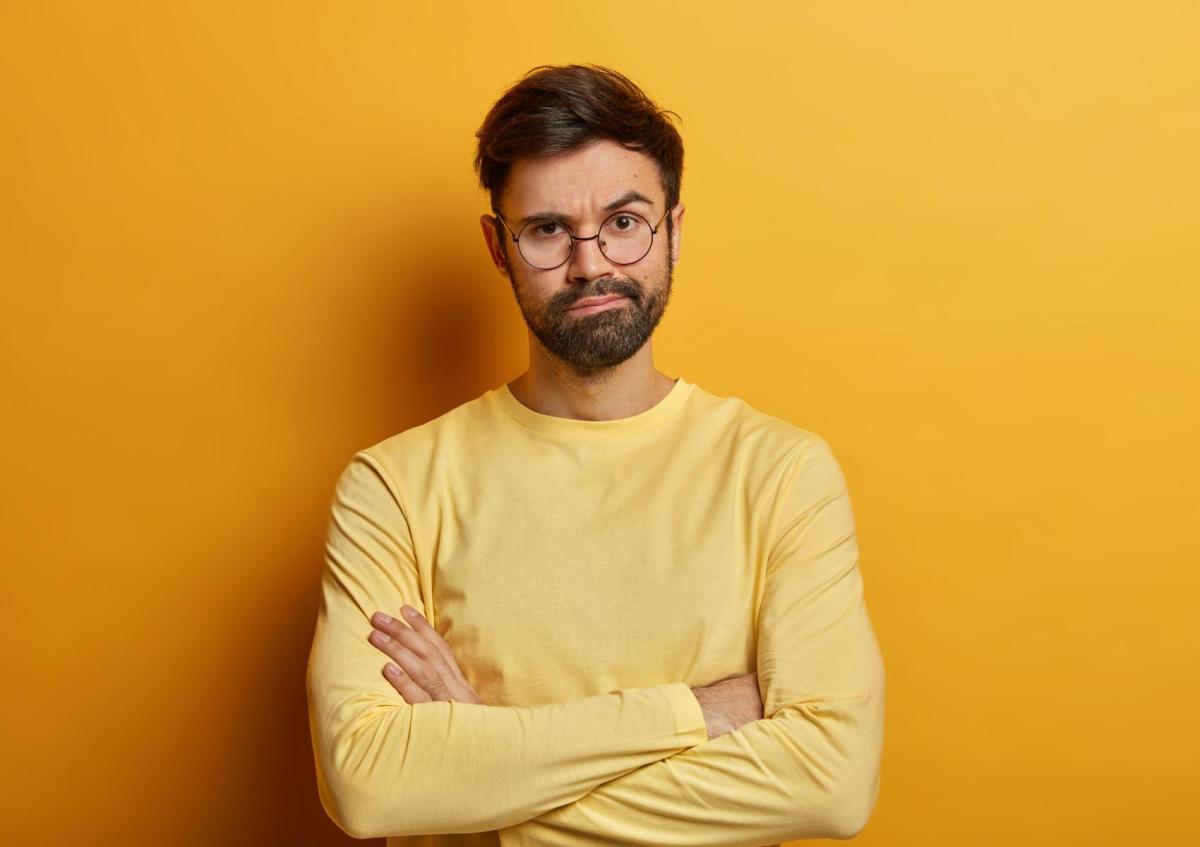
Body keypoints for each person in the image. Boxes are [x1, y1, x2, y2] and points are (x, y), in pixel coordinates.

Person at [305, 63, 886, 846]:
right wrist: (692, 712)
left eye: (624, 221)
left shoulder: (782, 474)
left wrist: (484, 767)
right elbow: (369, 783)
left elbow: (832, 783)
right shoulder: (393, 487)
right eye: (548, 229)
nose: (591, 264)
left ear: (674, 229)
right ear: (498, 246)